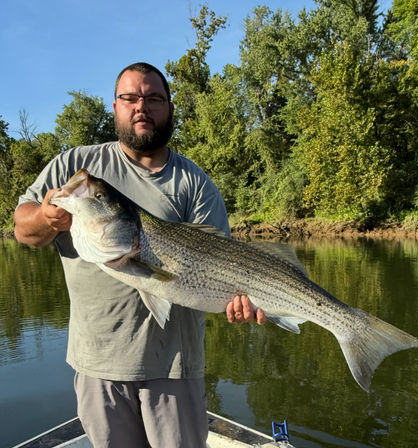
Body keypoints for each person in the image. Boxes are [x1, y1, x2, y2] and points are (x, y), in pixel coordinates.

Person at [14, 62, 266, 448]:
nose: (141, 107)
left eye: (153, 98)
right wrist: (48, 218)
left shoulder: (194, 183)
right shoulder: (74, 166)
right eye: (129, 98)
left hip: (174, 369)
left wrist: (246, 301)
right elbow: (23, 228)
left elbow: (226, 264)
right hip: (97, 366)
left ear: (169, 108)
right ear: (115, 107)